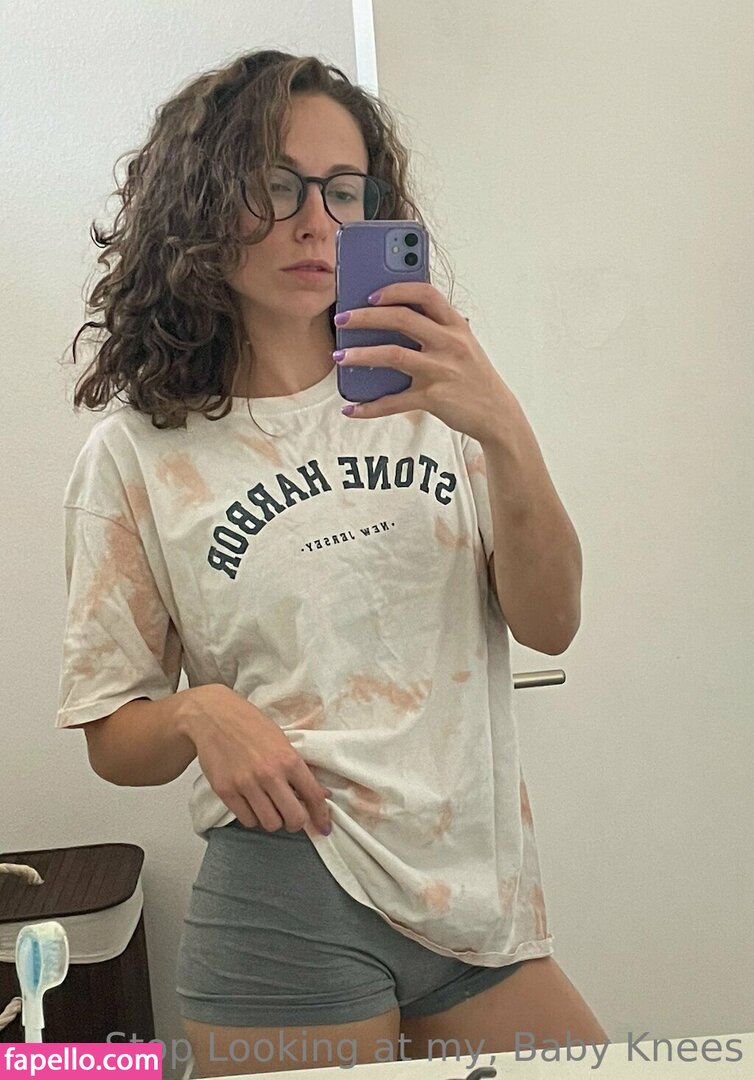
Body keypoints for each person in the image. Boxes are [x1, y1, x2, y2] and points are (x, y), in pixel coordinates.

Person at [56, 50, 607, 1075]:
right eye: (276, 185)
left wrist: (503, 427)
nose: (317, 222)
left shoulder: (437, 399)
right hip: (288, 902)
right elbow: (112, 737)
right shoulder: (136, 455)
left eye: (344, 191)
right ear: (198, 203)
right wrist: (197, 712)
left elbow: (552, 622)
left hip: (476, 896)